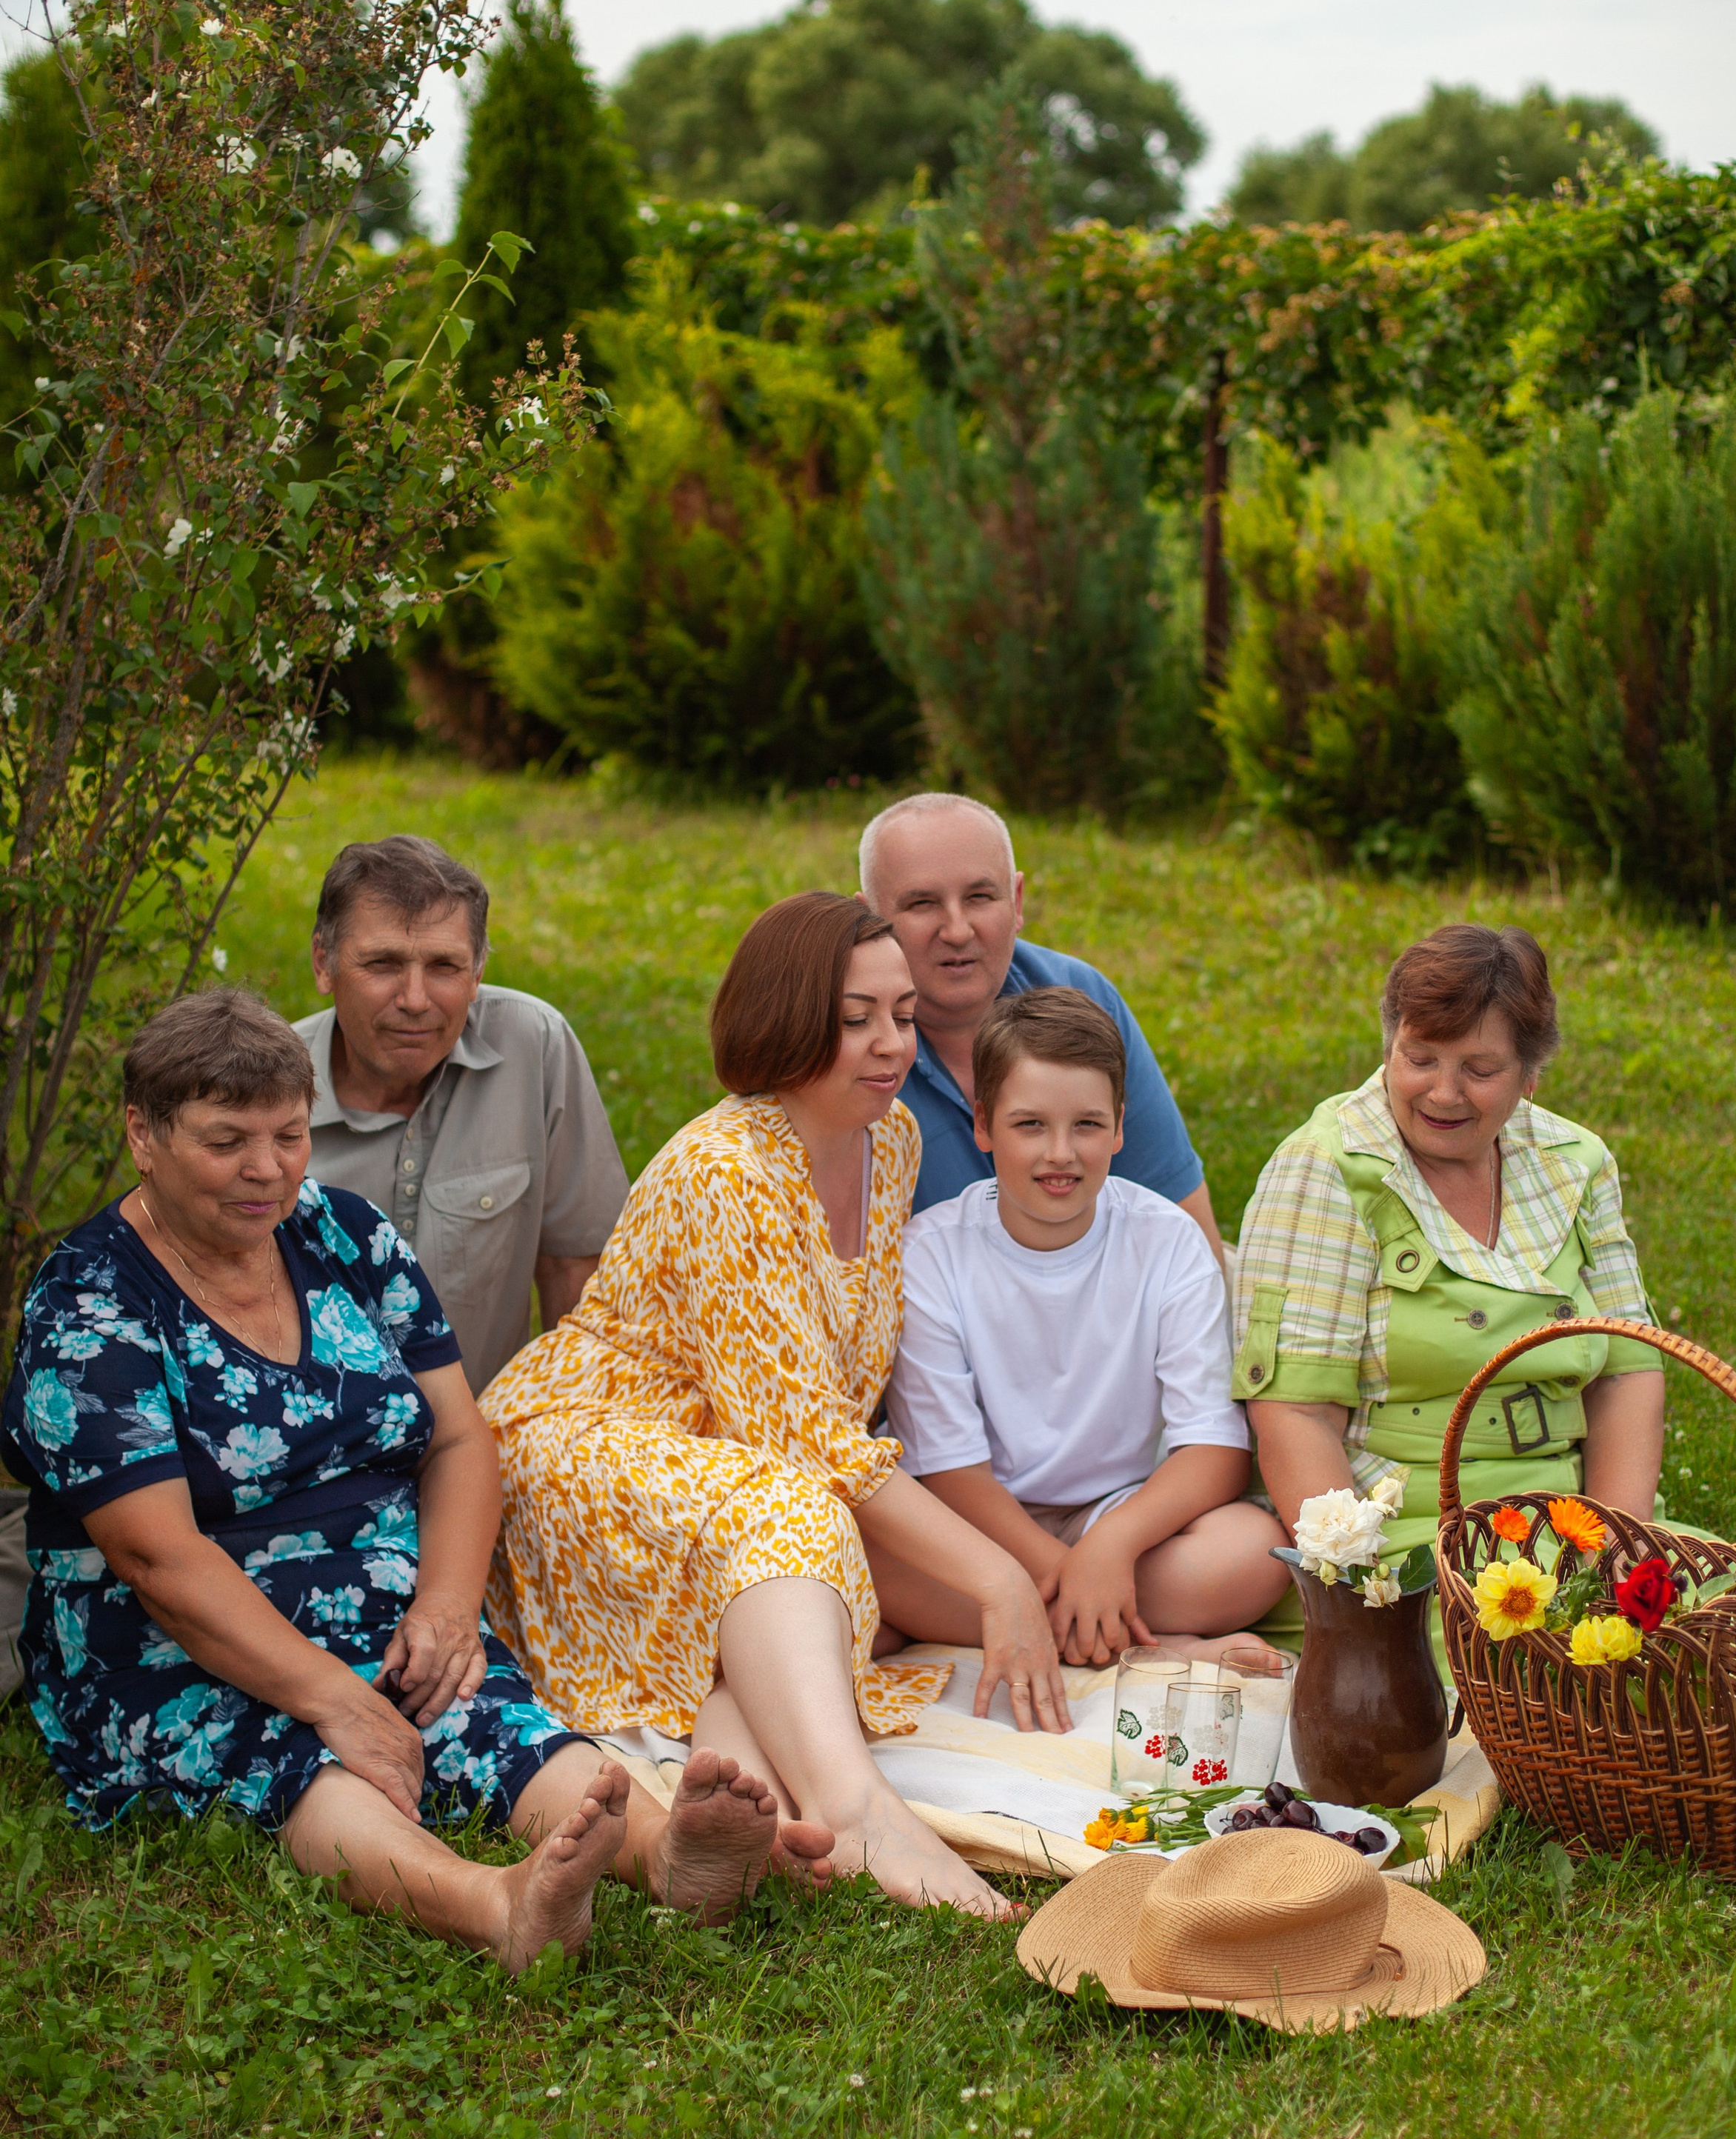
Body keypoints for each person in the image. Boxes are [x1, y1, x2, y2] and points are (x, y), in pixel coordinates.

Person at [0, 990, 827, 1969]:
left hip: (376, 1593)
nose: (267, 1170)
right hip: (178, 1632)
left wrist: (443, 1606)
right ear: (144, 1136)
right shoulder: (89, 1302)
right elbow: (155, 1552)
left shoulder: (342, 1235)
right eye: (227, 1142)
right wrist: (336, 1700)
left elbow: (458, 1441)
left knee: (483, 1707)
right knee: (299, 1755)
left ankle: (669, 1853)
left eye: (288, 1135)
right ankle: (494, 1906)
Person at [481, 892, 1075, 1919]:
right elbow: (801, 1438)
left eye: (902, 1014)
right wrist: (1000, 1578)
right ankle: (856, 1813)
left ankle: (729, 1806)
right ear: (789, 1017)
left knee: (812, 1577)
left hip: (724, 1467)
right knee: (799, 1515)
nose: (891, 1045)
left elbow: (822, 1406)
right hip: (582, 1445)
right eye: (856, 1018)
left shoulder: (890, 1148)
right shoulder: (731, 1165)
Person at [1233, 924, 1664, 1580]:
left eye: (1480, 1070)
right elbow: (1294, 1415)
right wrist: (1362, 1595)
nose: (1442, 1092)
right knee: (1541, 1672)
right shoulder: (1326, 1168)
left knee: (1726, 1614)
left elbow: (1629, 1373)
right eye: (1420, 1058)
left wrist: (1617, 1560)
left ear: (1531, 1075)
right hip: (1411, 1545)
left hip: (1572, 1521)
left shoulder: (1575, 1164)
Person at [882, 988, 1291, 1668]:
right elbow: (952, 1470)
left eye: (1087, 1126)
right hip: (977, 1527)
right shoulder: (929, 1254)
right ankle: (1153, 1644)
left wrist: (1110, 1549)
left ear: (1121, 1128)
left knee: (1254, 1551)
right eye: (1030, 1125)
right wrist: (1066, 1572)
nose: (1061, 1154)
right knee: (870, 1561)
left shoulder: (1169, 1243)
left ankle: (1051, 1619)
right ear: (983, 1125)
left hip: (1124, 1517)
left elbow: (1215, 1450)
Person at [294, 835, 629, 1395]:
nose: (416, 999)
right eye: (383, 964)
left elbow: (580, 1275)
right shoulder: (264, 1091)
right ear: (324, 964)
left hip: (493, 1435)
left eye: (445, 966)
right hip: (318, 1464)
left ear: (476, 973)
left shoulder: (533, 1045)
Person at [858, 792, 1223, 1256]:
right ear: (870, 919)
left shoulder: (1081, 997)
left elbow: (1185, 1230)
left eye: (980, 897)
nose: (956, 930)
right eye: (922, 903)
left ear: (1016, 900)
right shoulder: (842, 1047)